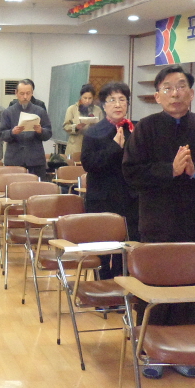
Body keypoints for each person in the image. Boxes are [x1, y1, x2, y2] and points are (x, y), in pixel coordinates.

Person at [123, 65, 195, 379]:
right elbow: (131, 173)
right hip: (157, 219)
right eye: (168, 88)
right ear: (158, 96)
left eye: (182, 86)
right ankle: (152, 352)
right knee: (156, 284)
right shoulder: (145, 129)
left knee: (191, 284)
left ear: (192, 93)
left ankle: (186, 351)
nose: (176, 94)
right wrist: (169, 171)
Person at [80, 81, 138, 279]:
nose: (118, 104)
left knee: (128, 248)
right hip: (102, 198)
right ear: (104, 105)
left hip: (130, 198)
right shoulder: (93, 132)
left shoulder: (136, 130)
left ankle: (125, 287)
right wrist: (114, 148)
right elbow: (89, 164)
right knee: (103, 249)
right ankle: (103, 285)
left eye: (122, 99)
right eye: (112, 100)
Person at [0, 79, 52, 177]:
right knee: (14, 185)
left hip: (35, 159)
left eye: (28, 93)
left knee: (36, 185)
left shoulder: (40, 111)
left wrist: (41, 131)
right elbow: (2, 134)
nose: (25, 97)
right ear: (16, 93)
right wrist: (12, 132)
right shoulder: (8, 112)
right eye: (22, 93)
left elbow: (48, 133)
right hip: (14, 159)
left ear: (32, 93)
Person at [63, 83, 103, 160]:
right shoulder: (72, 109)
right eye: (85, 98)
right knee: (73, 166)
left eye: (90, 98)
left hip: (92, 146)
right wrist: (76, 127)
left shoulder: (98, 110)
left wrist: (95, 127)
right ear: (81, 97)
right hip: (75, 146)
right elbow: (66, 126)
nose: (87, 101)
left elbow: (103, 127)